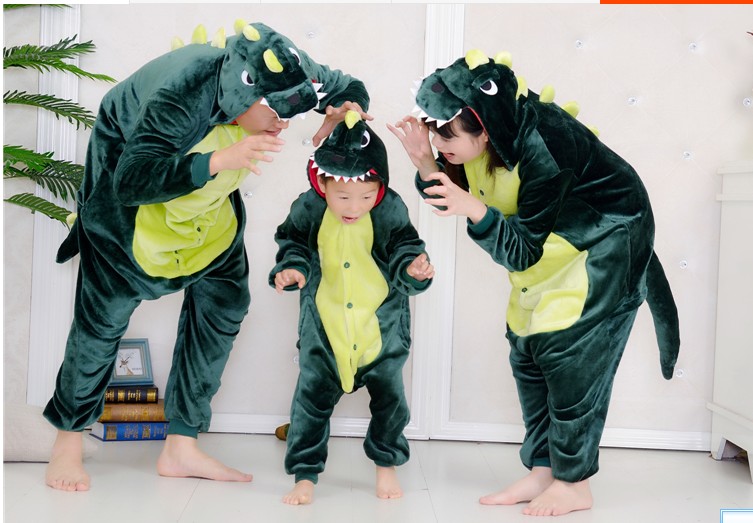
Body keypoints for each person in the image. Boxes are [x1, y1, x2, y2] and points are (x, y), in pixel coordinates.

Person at [43, 21, 373, 492]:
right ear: (244, 94)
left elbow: (347, 86)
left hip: (210, 218)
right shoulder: (183, 94)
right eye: (275, 113)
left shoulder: (289, 69)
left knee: (224, 304)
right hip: (129, 212)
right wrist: (219, 160)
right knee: (102, 320)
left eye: (292, 112)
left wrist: (348, 109)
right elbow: (131, 181)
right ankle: (67, 442)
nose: (284, 123)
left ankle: (181, 445)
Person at [388, 49, 680, 516]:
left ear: (484, 127)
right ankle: (545, 471)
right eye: (435, 132)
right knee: (527, 355)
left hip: (603, 249)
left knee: (571, 363)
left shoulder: (546, 145)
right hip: (549, 255)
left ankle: (574, 482)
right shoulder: (488, 141)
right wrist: (426, 161)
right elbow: (454, 196)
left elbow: (519, 247)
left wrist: (475, 209)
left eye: (447, 136)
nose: (440, 143)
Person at [270, 111, 434, 505]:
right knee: (310, 402)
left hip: (379, 330)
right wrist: (292, 268)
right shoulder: (309, 208)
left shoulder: (389, 209)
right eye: (343, 197)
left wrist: (413, 268)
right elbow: (292, 242)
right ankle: (305, 475)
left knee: (390, 402)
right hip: (325, 330)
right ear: (322, 183)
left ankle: (386, 465)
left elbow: (405, 246)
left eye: (366, 196)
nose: (354, 206)